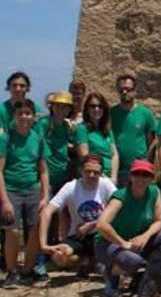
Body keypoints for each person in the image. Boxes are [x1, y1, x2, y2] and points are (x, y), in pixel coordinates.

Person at [95, 160, 161, 297]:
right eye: (137, 174)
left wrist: (145, 236)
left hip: (136, 240)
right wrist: (122, 243)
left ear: (151, 178)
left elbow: (159, 221)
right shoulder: (120, 196)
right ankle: (110, 273)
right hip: (108, 243)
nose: (141, 178)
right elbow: (101, 224)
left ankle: (146, 279)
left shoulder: (154, 191)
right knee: (133, 261)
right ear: (131, 177)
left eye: (146, 175)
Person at [0, 99, 49, 286]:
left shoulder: (37, 139)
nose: (24, 117)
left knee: (35, 230)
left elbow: (43, 170)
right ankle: (12, 271)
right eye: (20, 113)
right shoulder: (6, 139)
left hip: (32, 190)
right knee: (12, 231)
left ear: (33, 116)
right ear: (14, 116)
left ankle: (27, 271)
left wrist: (45, 196)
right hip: (11, 189)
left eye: (28, 113)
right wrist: (4, 201)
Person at [38, 155, 115, 274]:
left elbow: (121, 209)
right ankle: (85, 261)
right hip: (79, 236)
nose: (91, 175)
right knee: (59, 257)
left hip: (101, 235)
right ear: (81, 171)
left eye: (96, 172)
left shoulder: (106, 185)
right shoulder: (71, 187)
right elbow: (46, 212)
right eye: (88, 171)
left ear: (101, 173)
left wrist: (92, 224)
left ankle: (93, 262)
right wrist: (43, 244)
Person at [110, 74, 157, 186]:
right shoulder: (111, 113)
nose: (124, 92)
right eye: (121, 89)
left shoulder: (146, 113)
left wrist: (147, 163)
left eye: (128, 89)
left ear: (135, 91)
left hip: (138, 170)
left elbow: (152, 142)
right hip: (116, 171)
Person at [36, 92, 78, 195]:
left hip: (62, 178)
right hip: (45, 179)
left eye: (65, 106)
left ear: (69, 109)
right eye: (58, 105)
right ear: (52, 106)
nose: (61, 109)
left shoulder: (67, 127)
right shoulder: (44, 123)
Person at [75, 92, 119, 183]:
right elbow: (85, 155)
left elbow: (114, 154)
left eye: (100, 106)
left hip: (109, 177)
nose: (96, 109)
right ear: (87, 109)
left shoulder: (107, 130)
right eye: (93, 106)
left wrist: (113, 177)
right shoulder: (82, 129)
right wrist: (101, 176)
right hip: (94, 176)